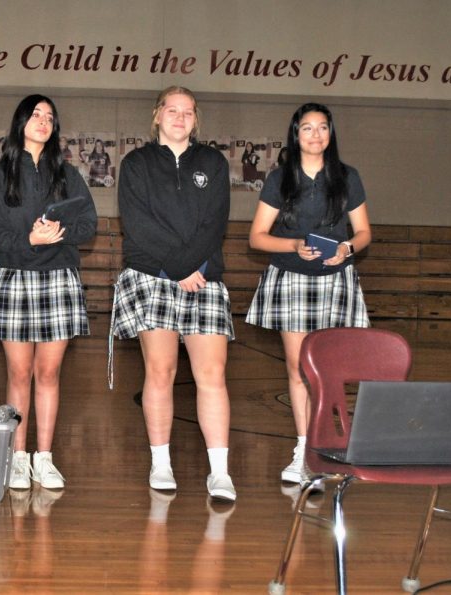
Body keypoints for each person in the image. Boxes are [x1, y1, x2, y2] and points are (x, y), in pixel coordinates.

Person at [111, 86, 236, 501]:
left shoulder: (213, 162)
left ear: (196, 120)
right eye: (172, 109)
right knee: (160, 371)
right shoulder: (136, 163)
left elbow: (215, 222)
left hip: (203, 277)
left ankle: (220, 472)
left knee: (212, 375)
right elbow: (138, 223)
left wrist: (192, 267)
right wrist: (175, 267)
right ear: (157, 114)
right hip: (153, 276)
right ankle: (161, 462)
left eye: (188, 111)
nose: (179, 117)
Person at [245, 102, 371, 485]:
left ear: (331, 133)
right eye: (307, 128)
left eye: (322, 128)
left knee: (329, 371)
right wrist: (294, 245)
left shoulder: (347, 177)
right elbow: (257, 237)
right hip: (292, 279)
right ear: (295, 134)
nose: (315, 135)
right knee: (299, 368)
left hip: (336, 281)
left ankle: (326, 448)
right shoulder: (280, 179)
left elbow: (364, 233)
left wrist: (346, 248)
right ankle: (303, 450)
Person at [0, 94, 97, 490]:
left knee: (48, 373)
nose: (43, 121)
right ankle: (17, 457)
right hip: (13, 276)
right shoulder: (0, 175)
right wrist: (28, 238)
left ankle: (44, 459)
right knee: (19, 372)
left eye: (49, 116)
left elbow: (88, 224)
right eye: (35, 114)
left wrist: (57, 235)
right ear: (20, 123)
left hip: (58, 277)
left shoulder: (68, 173)